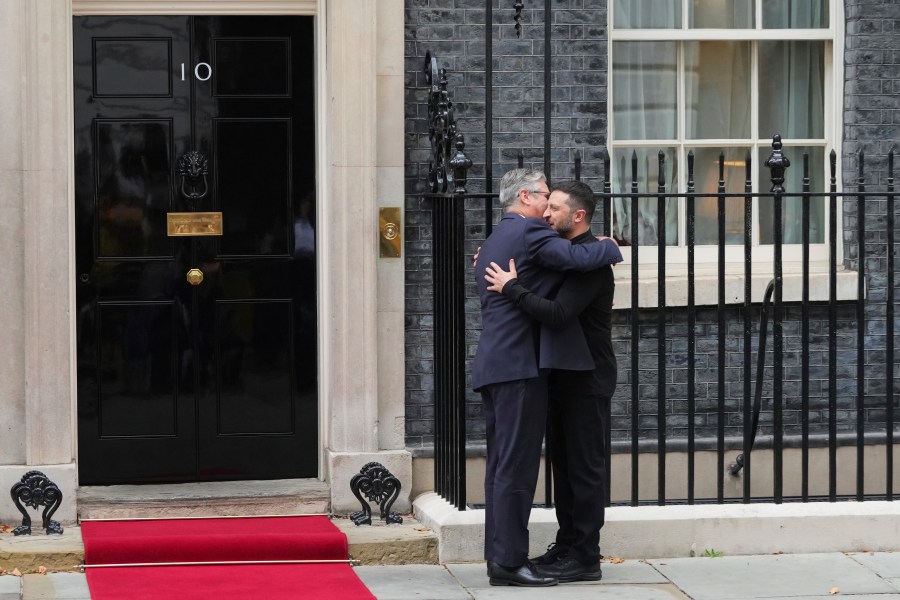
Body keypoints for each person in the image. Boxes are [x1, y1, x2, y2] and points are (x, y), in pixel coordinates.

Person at [472, 169, 622, 587]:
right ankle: (535, 553)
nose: (547, 211)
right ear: (526, 197)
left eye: (555, 206)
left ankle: (582, 554)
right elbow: (554, 266)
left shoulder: (576, 255)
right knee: (542, 468)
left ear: (577, 216)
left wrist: (610, 247)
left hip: (586, 376)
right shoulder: (538, 241)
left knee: (581, 470)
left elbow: (557, 310)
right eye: (546, 201)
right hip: (547, 374)